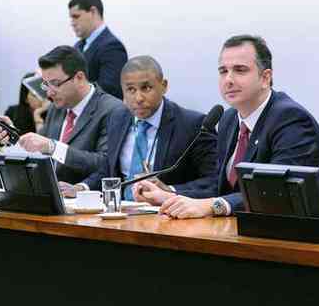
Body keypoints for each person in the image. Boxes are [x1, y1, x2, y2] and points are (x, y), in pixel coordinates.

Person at [133, 35, 319, 219]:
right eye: (223, 71)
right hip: (245, 229)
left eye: (240, 70)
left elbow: (275, 193)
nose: (228, 80)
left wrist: (213, 205)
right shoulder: (229, 119)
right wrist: (169, 193)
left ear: (265, 78)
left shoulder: (290, 119)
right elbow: (220, 185)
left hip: (302, 235)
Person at [61, 55, 218, 199]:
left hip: (168, 216)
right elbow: (108, 169)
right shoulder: (118, 118)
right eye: (131, 90)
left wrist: (169, 190)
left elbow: (214, 181)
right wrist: (82, 188)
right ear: (122, 92)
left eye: (146, 88)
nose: (138, 98)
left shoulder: (193, 125)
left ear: (163, 86)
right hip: (121, 214)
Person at [0, 45, 121, 185]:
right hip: (48, 194)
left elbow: (105, 164)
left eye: (55, 84)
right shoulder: (57, 108)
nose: (49, 93)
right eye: (46, 85)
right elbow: (39, 152)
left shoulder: (112, 110)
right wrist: (13, 137)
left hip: (84, 199)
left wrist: (53, 147)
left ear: (79, 78)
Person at [69, 0, 128, 99]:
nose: (72, 23)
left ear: (93, 12)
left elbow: (109, 91)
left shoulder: (113, 47)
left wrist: (69, 91)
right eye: (71, 18)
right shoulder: (77, 47)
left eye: (76, 16)